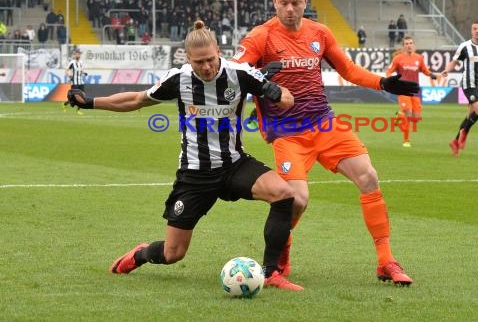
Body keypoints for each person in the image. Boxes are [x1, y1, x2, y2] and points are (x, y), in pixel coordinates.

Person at [66, 20, 304, 291]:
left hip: (234, 164)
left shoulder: (240, 73)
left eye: (211, 59)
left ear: (219, 52)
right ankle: (140, 254)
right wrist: (92, 102)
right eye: (199, 62)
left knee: (284, 194)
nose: (206, 67)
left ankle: (272, 272)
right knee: (173, 253)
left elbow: (288, 99)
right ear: (188, 59)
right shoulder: (178, 79)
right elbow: (136, 100)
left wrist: (274, 91)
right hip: (195, 173)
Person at [233, 0, 419, 286]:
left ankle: (386, 261)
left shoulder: (320, 32)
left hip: (325, 124)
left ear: (306, 2)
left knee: (369, 177)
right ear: (274, 3)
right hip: (287, 133)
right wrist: (261, 76)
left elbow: (348, 70)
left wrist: (384, 83)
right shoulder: (260, 37)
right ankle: (281, 257)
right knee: (297, 199)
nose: (289, 9)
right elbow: (233, 72)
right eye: (283, 3)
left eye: (295, 2)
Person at [442, 21, 478, 156]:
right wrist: (447, 70)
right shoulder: (465, 47)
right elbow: (455, 61)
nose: (477, 31)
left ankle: (455, 142)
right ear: (471, 31)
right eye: (475, 29)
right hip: (468, 83)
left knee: (469, 116)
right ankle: (464, 133)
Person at [385, 36, 439, 147]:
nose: (409, 45)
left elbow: (424, 70)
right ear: (404, 46)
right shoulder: (398, 58)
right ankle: (406, 141)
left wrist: (432, 75)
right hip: (403, 89)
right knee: (408, 114)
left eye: (410, 43)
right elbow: (389, 71)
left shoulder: (419, 58)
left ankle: (399, 115)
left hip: (415, 90)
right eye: (406, 43)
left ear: (414, 45)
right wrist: (389, 80)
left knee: (415, 118)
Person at [63, 48, 87, 114]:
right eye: (76, 54)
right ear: (74, 55)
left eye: (79, 54)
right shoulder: (72, 62)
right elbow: (66, 70)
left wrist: (84, 73)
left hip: (81, 82)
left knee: (82, 96)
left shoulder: (81, 62)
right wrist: (69, 75)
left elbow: (81, 70)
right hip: (74, 82)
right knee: (74, 97)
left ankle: (78, 110)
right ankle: (65, 104)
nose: (78, 55)